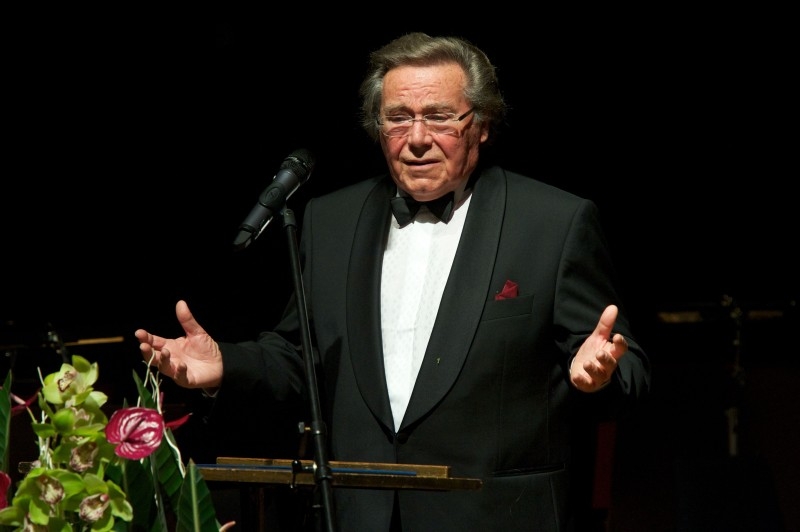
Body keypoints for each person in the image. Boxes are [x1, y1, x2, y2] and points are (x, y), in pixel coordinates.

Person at [135, 32, 651, 532]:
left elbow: (628, 374)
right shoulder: (331, 221)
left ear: (482, 125)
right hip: (358, 513)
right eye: (398, 119)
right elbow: (301, 359)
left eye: (440, 117)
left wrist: (599, 373)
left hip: (497, 514)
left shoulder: (553, 223)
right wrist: (227, 364)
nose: (418, 138)